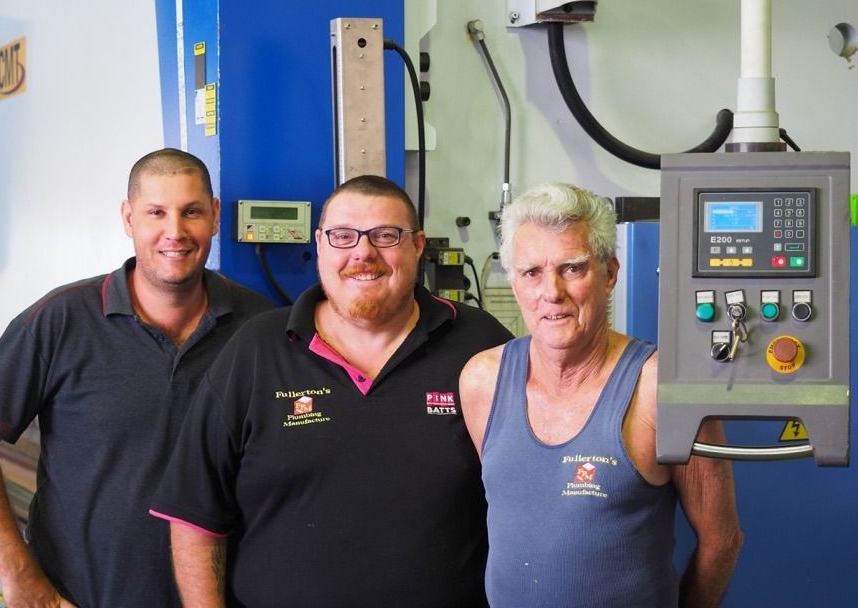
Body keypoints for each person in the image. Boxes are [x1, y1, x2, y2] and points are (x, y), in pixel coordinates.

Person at [149, 174, 513, 607]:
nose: (363, 252)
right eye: (343, 236)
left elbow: (535, 493)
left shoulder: (481, 346)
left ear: (417, 245)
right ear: (320, 245)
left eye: (385, 235)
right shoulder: (256, 349)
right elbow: (195, 517)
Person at [0, 148, 272, 607]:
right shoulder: (62, 320)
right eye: (156, 212)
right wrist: (21, 578)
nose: (174, 232)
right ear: (128, 218)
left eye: (191, 212)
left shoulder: (261, 327)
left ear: (214, 217)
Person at [459, 183, 743, 608]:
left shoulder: (662, 388)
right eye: (531, 272)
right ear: (514, 282)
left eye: (572, 268)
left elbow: (722, 542)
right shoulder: (482, 380)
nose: (550, 291)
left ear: (610, 273)